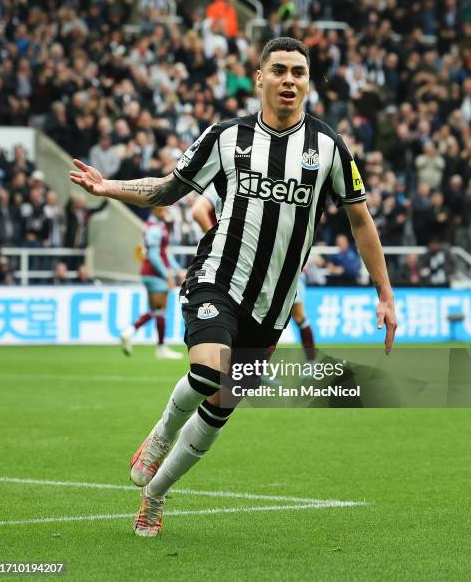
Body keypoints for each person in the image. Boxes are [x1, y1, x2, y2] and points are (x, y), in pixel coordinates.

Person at [70, 37, 397, 538]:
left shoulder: (328, 147)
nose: (290, 80)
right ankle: (159, 435)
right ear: (260, 77)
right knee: (210, 371)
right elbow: (168, 188)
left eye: (299, 73)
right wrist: (108, 187)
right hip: (218, 279)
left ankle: (155, 496)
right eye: (280, 70)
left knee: (223, 404)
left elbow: (361, 220)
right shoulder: (227, 138)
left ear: (308, 83)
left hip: (275, 305)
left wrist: (385, 293)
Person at [192, 186, 315, 360]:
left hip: (261, 265)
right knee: (273, 321)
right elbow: (198, 211)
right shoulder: (238, 176)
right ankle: (251, 371)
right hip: (263, 265)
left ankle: (251, 371)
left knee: (258, 321)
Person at [120, 206, 185, 359]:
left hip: (148, 273)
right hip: (155, 274)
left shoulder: (154, 226)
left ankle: (155, 344)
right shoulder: (155, 229)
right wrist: (167, 275)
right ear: (155, 210)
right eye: (163, 210)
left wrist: (177, 269)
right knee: (159, 311)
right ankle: (134, 333)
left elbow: (163, 253)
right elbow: (155, 256)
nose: (166, 213)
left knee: (157, 310)